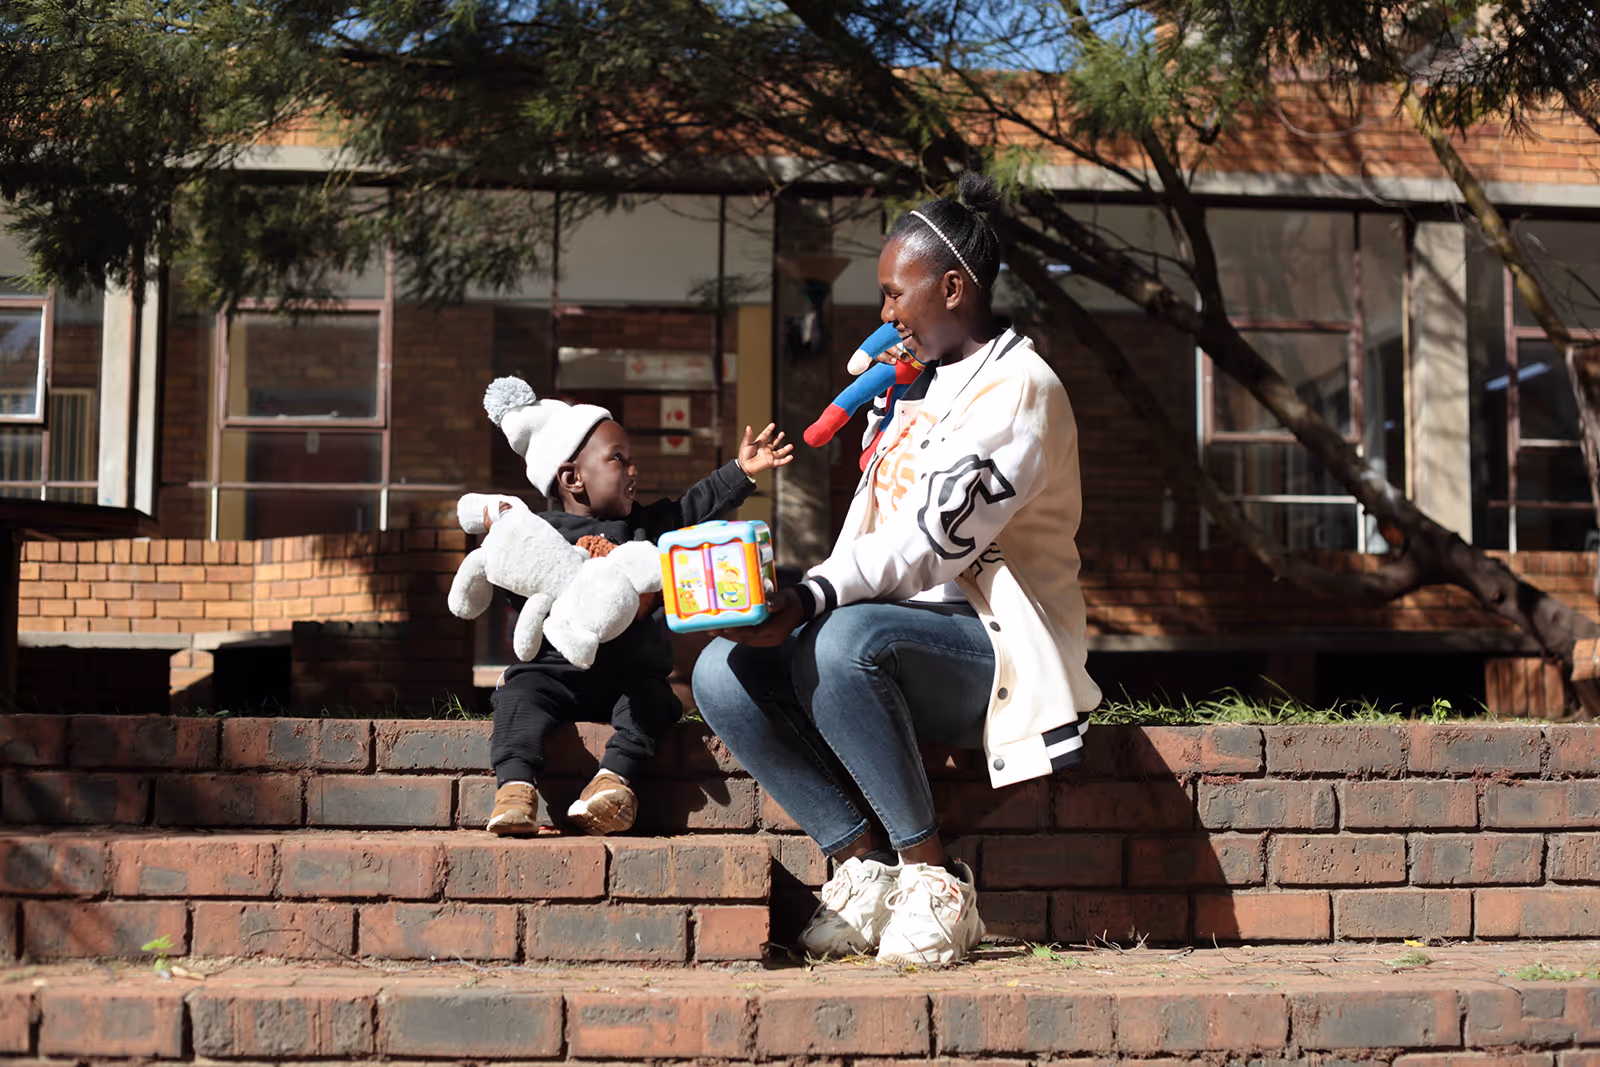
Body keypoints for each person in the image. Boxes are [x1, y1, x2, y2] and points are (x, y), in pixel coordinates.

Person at [692, 173, 1100, 966]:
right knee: (720, 670)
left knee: (845, 637)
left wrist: (815, 596)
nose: (885, 316)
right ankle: (863, 866)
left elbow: (934, 540)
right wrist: (792, 595)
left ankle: (933, 882)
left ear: (952, 288)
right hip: (903, 628)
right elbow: (874, 535)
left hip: (1000, 643)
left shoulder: (1021, 390)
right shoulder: (920, 388)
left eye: (893, 294)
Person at [484, 383, 793, 836]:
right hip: (555, 674)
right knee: (515, 696)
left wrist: (740, 471)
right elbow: (516, 583)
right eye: (618, 459)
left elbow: (694, 506)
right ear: (573, 478)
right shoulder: (542, 533)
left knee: (654, 701)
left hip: (629, 677)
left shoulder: (645, 527)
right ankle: (514, 789)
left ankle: (612, 782)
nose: (634, 469)